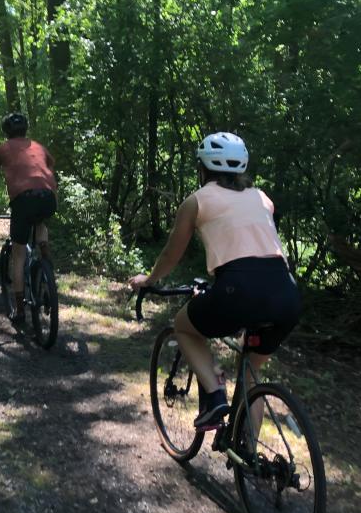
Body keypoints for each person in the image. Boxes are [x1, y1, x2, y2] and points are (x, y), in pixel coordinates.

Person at [129, 132, 301, 429]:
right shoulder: (262, 198)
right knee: (251, 377)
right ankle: (251, 463)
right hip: (286, 293)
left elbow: (172, 254)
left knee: (184, 326)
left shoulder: (196, 201)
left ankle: (214, 392)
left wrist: (150, 278)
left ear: (203, 168)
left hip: (237, 288)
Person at [0, 113, 58, 323]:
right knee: (40, 221)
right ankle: (44, 249)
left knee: (18, 255)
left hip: (23, 200)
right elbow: (50, 173)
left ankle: (19, 310)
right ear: (25, 129)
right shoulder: (40, 147)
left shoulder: (0, 150)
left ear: (6, 132)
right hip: (48, 197)